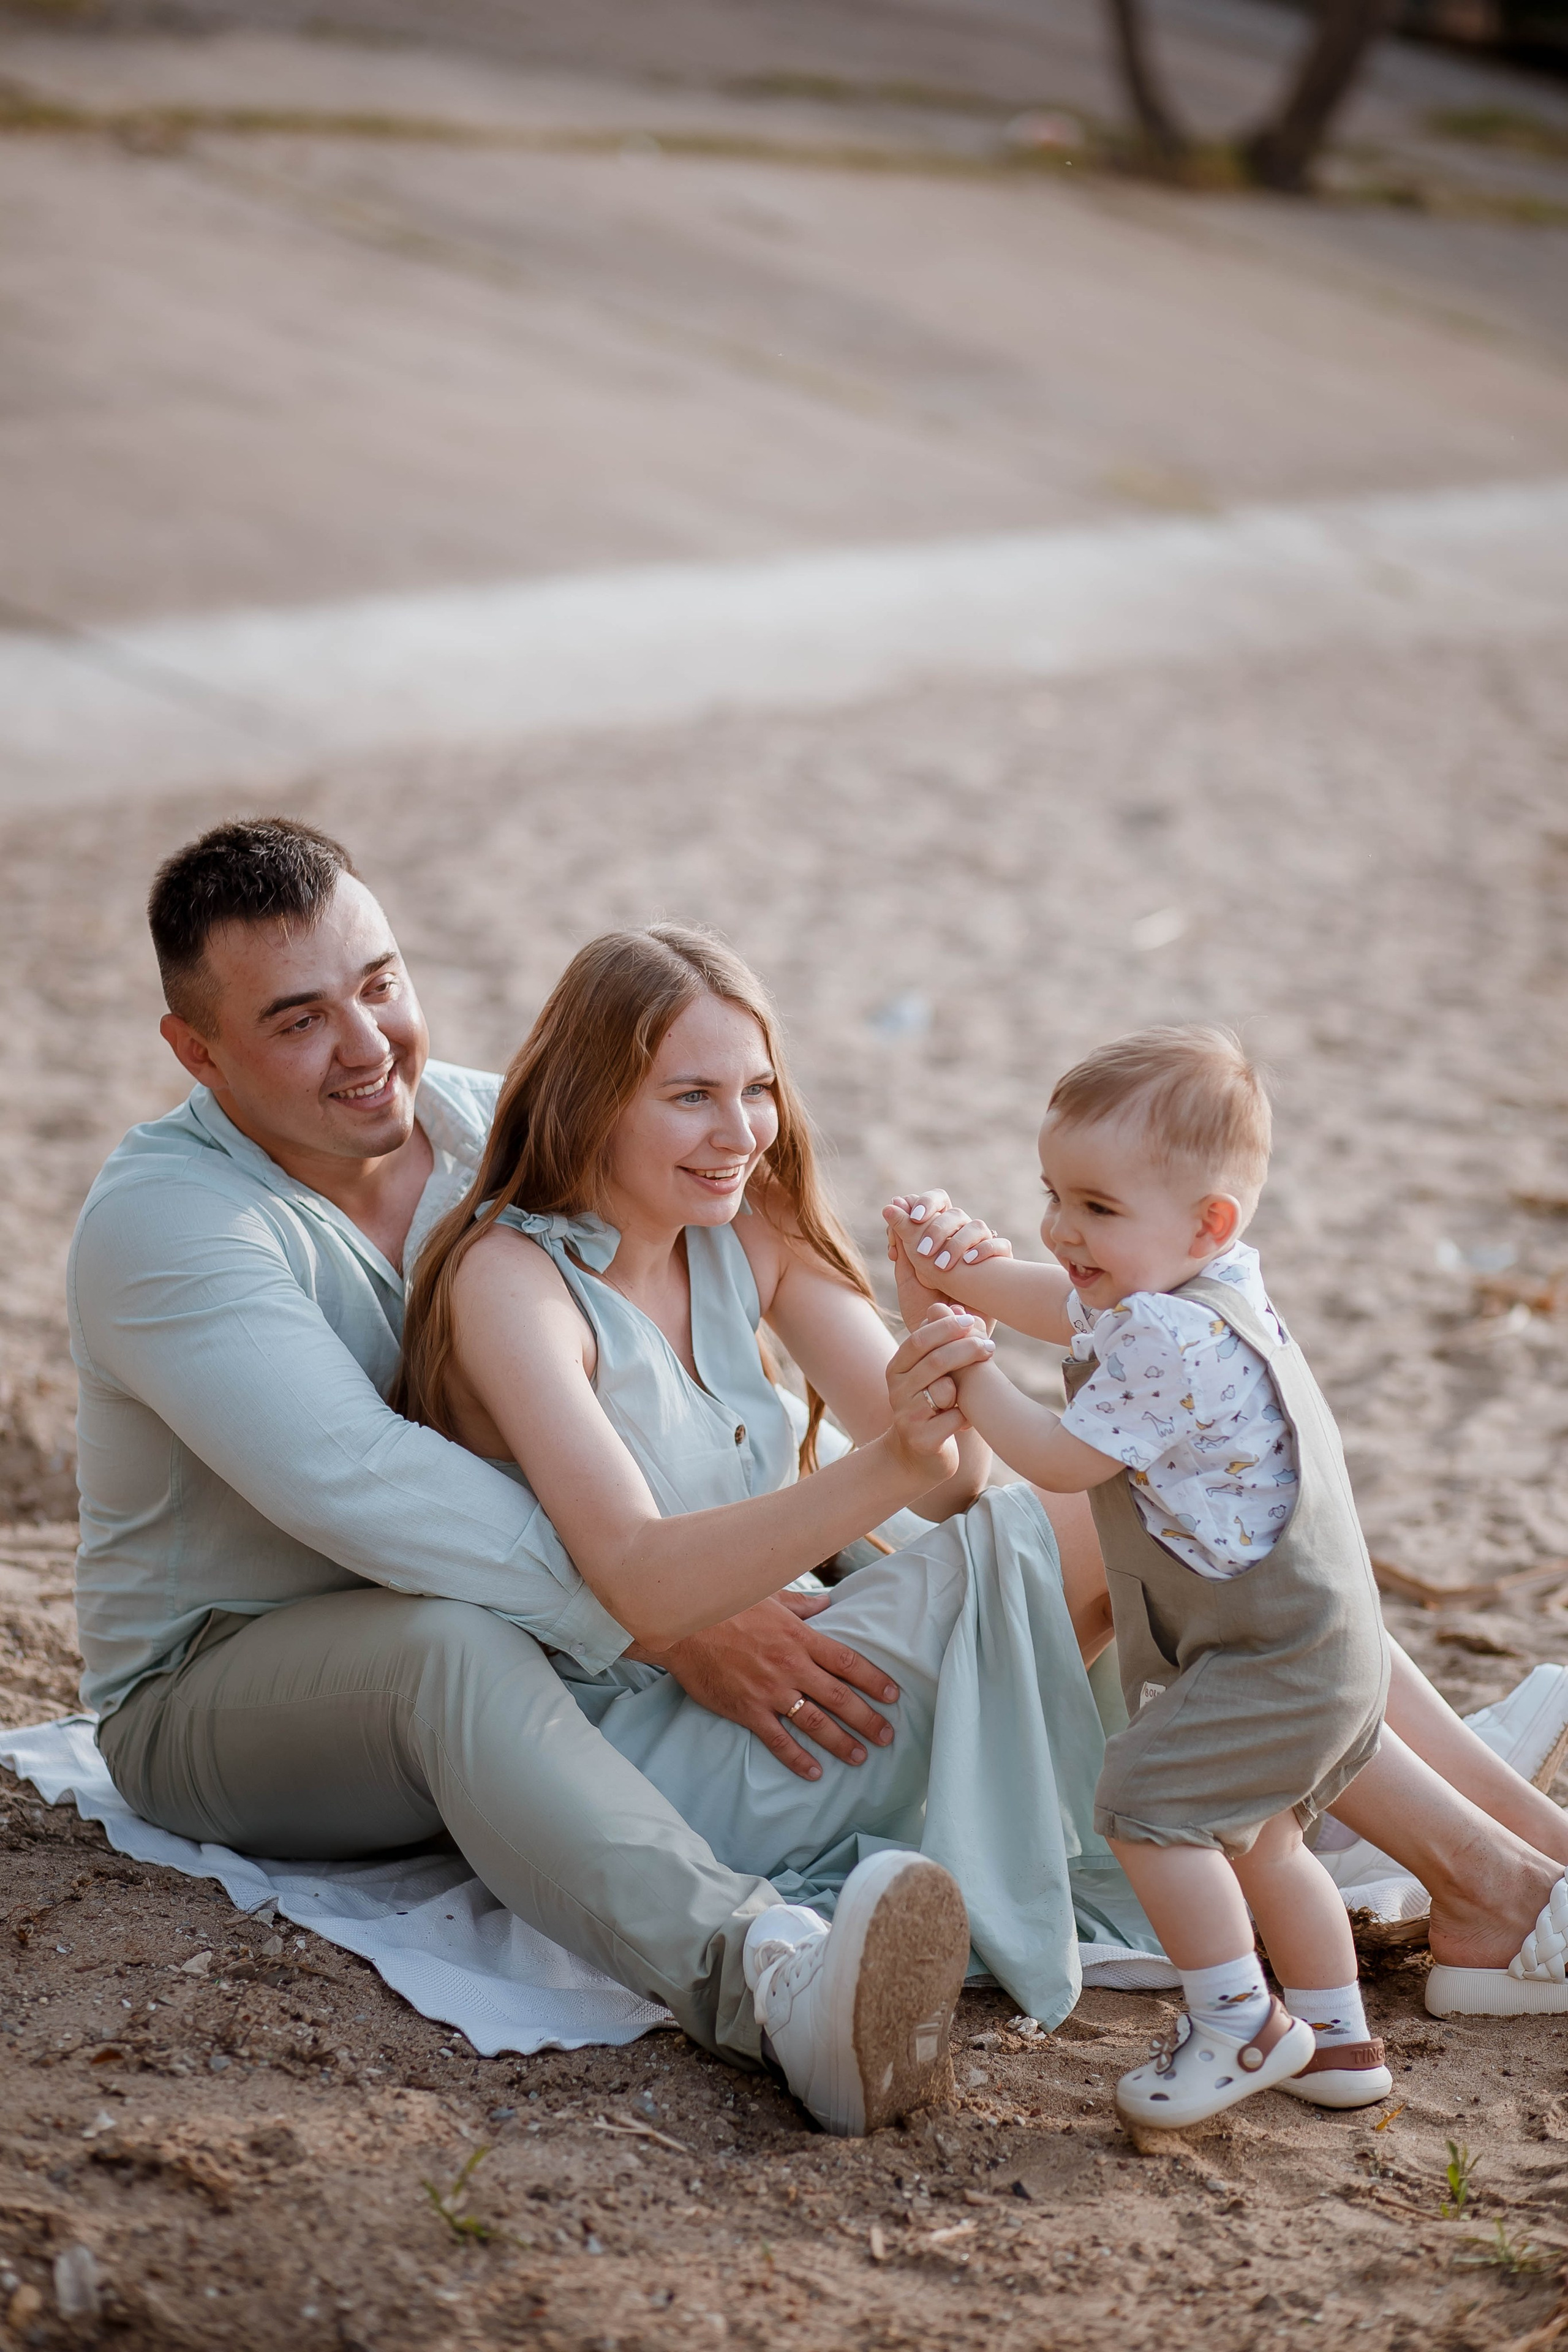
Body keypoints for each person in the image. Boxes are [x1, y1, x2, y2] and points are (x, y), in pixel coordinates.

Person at [69, 820, 1568, 2132]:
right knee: (452, 1646)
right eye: (297, 1017)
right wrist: (680, 1601)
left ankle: (1509, 1844)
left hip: (586, 1622)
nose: (368, 1044)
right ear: (197, 1051)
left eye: (381, 982)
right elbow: (373, 1490)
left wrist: (945, 1361)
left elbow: (908, 1438)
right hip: (246, 1677)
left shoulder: (484, 1121)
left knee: (1154, 1522)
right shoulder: (182, 1227)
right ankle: (774, 1978)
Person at [887, 1027, 1389, 2124]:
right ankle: (1339, 2039)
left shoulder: (1168, 1333)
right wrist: (959, 1274)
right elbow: (1056, 1300)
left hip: (1268, 1655)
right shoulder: (1203, 1286)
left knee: (1146, 1807)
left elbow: (1063, 1459)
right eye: (1052, 1194)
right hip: (1321, 1647)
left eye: (1096, 1210)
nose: (1062, 1229)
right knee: (1261, 1835)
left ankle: (1238, 2020)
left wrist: (968, 1373)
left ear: (1210, 1219)